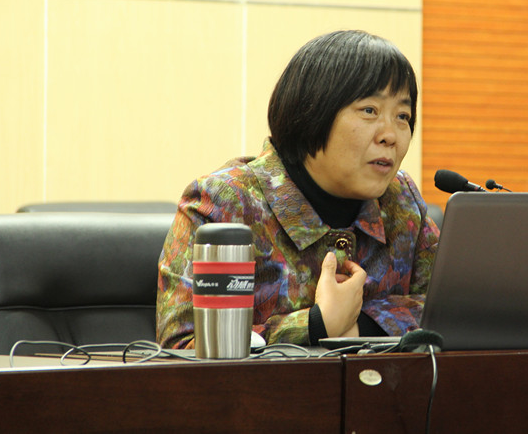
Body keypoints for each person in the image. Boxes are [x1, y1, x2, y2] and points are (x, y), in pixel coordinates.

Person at [156, 30, 440, 348]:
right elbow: (183, 346)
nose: (391, 135)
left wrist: (361, 325)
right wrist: (316, 324)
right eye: (369, 110)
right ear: (313, 112)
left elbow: (454, 311)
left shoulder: (401, 202)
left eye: (403, 116)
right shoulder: (225, 204)